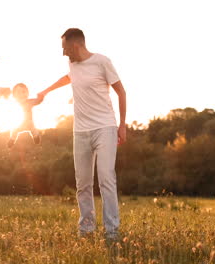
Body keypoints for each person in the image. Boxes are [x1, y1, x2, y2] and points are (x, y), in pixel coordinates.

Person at [38, 28, 127, 240]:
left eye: (65, 48)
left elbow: (121, 92)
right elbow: (68, 78)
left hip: (104, 127)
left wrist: (122, 125)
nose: (63, 53)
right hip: (80, 131)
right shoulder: (72, 64)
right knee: (83, 183)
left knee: (106, 178)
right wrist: (45, 92)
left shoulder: (102, 62)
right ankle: (86, 230)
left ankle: (112, 232)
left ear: (75, 45)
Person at [7, 83, 43, 148]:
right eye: (18, 92)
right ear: (14, 95)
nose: (21, 94)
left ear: (28, 93)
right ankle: (12, 141)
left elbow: (37, 101)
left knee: (33, 129)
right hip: (18, 124)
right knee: (14, 131)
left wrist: (40, 98)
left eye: (23, 92)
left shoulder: (30, 102)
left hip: (29, 123)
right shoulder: (13, 104)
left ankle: (36, 137)